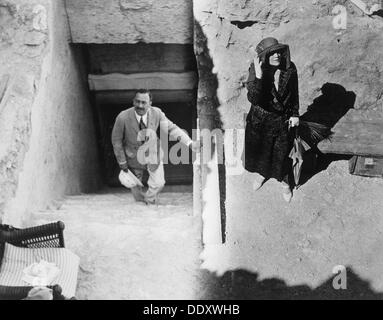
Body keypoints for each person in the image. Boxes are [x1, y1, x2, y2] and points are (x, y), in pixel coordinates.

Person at [111, 89, 199, 205]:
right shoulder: (122, 117)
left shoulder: (157, 113)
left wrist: (190, 143)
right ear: (133, 102)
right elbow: (116, 141)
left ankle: (149, 201)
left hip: (153, 154)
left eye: (144, 102)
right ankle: (142, 207)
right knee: (135, 187)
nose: (140, 105)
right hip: (132, 157)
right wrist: (122, 163)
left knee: (158, 183)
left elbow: (172, 128)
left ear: (150, 103)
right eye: (137, 102)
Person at [242, 37, 300, 202]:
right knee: (262, 153)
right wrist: (259, 78)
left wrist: (295, 114)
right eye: (272, 53)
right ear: (264, 56)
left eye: (279, 52)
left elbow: (294, 93)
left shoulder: (290, 69)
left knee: (281, 155)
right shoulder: (256, 69)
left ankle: (285, 183)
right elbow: (253, 98)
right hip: (260, 122)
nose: (277, 56)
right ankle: (262, 174)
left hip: (282, 121)